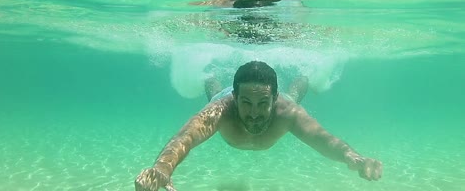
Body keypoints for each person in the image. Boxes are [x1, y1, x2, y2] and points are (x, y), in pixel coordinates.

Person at [135, 61, 383, 191]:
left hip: (284, 98)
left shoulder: (287, 112)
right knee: (212, 92)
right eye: (246, 103)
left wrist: (354, 157)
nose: (254, 113)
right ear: (235, 98)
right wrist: (162, 169)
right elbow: (184, 138)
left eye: (262, 103)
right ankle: (207, 75)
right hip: (221, 96)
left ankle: (305, 76)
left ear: (274, 99)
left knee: (294, 95)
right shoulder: (221, 110)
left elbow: (323, 139)